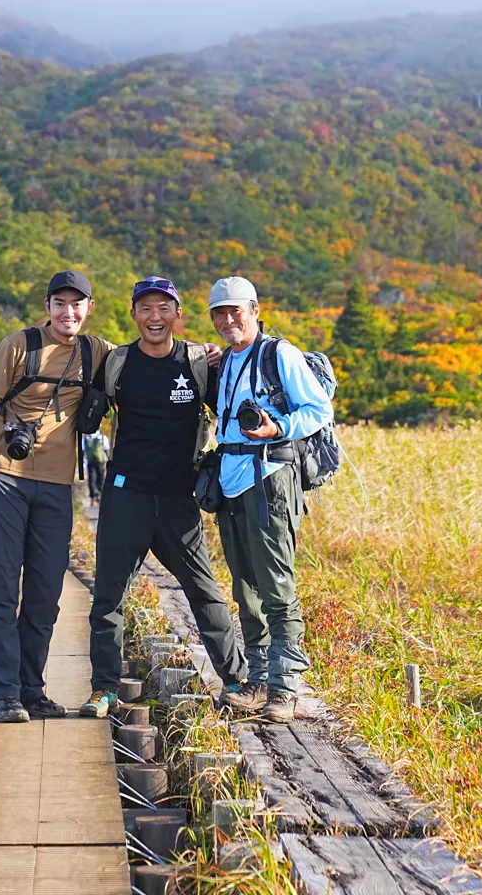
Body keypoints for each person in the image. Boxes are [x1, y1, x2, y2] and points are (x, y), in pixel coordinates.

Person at [79, 277, 265, 718]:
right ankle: (104, 689)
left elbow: (239, 406)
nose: (155, 317)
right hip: (125, 496)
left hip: (178, 499)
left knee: (204, 592)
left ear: (177, 314)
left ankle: (235, 679)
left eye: (164, 308)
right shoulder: (118, 362)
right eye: (146, 309)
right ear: (133, 315)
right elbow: (84, 418)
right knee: (108, 597)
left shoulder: (199, 362)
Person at [0, 270, 113, 722]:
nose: (68, 313)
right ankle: (4, 693)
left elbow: (145, 361)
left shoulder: (96, 351)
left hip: (56, 483)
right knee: (1, 585)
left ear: (88, 308)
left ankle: (32, 689)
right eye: (60, 303)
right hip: (2, 475)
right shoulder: (19, 345)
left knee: (46, 592)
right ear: (48, 307)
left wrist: (200, 354)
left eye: (77, 304)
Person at [208, 275, 333, 723]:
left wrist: (277, 429)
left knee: (277, 584)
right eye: (219, 313)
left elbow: (318, 409)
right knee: (245, 586)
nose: (227, 320)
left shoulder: (280, 354)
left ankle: (286, 686)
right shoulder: (224, 361)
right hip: (232, 481)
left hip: (270, 477)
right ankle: (258, 680)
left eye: (235, 311)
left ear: (255, 310)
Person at [83, 431, 109, 505]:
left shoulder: (86, 438)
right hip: (100, 461)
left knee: (92, 479)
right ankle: (100, 495)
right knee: (100, 478)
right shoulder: (102, 437)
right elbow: (106, 449)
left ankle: (93, 497)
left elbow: (83, 451)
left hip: (90, 461)